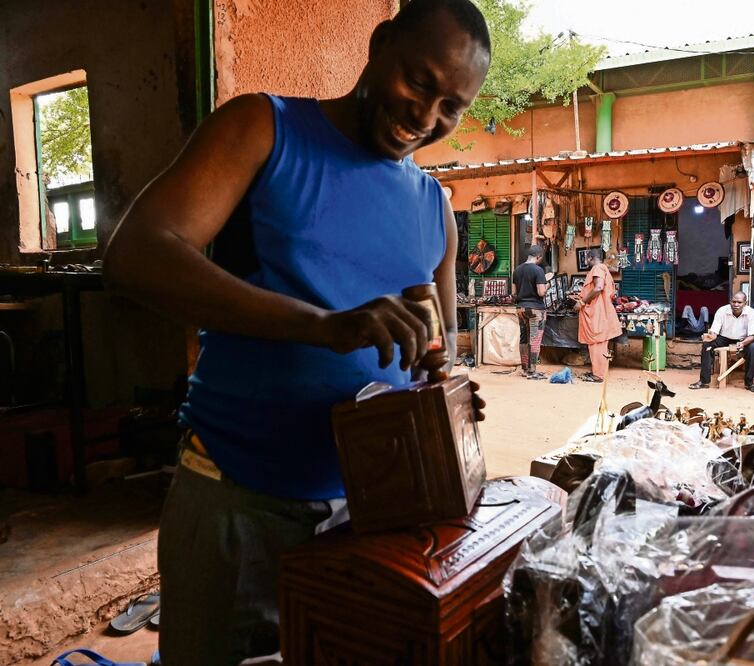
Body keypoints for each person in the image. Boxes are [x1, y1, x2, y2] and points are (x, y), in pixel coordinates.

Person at [102, 2, 491, 664]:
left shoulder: (435, 209)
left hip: (364, 522)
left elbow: (434, 360)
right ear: (379, 44)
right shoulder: (264, 128)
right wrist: (323, 326)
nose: (426, 118)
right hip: (236, 504)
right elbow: (134, 255)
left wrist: (445, 406)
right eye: (419, 82)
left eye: (451, 106)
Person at [688, 291, 754, 392]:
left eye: (739, 302)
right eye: (733, 301)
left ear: (745, 303)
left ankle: (749, 383)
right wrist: (711, 336)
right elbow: (714, 331)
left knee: (753, 348)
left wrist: (743, 343)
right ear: (730, 301)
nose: (736, 304)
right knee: (707, 345)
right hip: (724, 337)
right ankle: (704, 381)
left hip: (743, 339)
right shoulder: (722, 310)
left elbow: (752, 335)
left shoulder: (751, 312)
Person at [574, 248, 623, 383]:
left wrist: (582, 302)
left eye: (586, 258)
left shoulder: (597, 268)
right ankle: (598, 372)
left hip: (597, 312)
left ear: (590, 258)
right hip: (600, 311)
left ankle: (598, 375)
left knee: (597, 343)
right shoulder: (603, 268)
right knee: (598, 343)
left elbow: (598, 287)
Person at [513, 244, 548, 379]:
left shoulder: (517, 270)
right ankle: (532, 371)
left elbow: (515, 293)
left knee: (523, 338)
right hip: (535, 310)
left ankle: (524, 369)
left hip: (520, 308)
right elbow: (541, 292)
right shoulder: (538, 271)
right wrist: (547, 285)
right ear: (538, 257)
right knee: (535, 339)